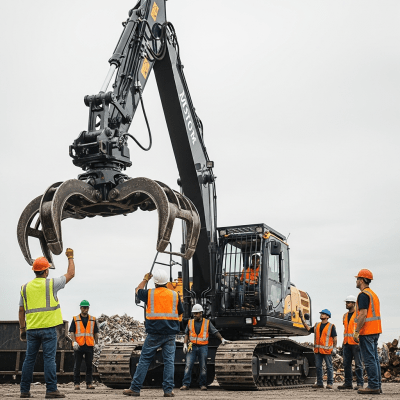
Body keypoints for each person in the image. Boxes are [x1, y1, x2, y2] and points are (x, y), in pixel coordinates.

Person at [19, 249, 75, 399]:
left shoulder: (24, 288)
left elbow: (21, 310)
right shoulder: (51, 284)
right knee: (49, 359)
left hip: (31, 330)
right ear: (46, 271)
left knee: (29, 360)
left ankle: (24, 391)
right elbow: (70, 274)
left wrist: (22, 329)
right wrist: (70, 257)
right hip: (49, 330)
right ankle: (51, 390)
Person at [123, 269, 183, 397]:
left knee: (144, 360)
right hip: (170, 333)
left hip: (154, 333)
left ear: (155, 283)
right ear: (167, 282)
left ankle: (135, 388)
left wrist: (145, 279)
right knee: (169, 362)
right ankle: (168, 390)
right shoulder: (175, 295)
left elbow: (137, 290)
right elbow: (180, 312)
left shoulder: (149, 294)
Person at [180, 304, 229, 391]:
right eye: (194, 313)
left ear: (201, 313)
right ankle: (185, 384)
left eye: (197, 313)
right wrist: (184, 344)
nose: (195, 315)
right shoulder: (190, 322)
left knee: (203, 367)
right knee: (188, 365)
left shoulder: (207, 322)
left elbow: (214, 331)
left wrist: (221, 339)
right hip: (192, 347)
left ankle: (203, 384)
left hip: (203, 347)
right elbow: (187, 334)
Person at [353, 269, 382, 395]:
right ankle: (377, 385)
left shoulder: (363, 295)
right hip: (375, 330)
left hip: (367, 331)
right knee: (374, 359)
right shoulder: (373, 294)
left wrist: (357, 331)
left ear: (361, 280)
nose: (356, 281)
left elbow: (363, 315)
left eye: (357, 279)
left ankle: (373, 386)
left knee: (369, 359)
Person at [299, 308, 337, 389]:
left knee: (329, 367)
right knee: (318, 367)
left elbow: (335, 338)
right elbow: (308, 329)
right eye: (321, 313)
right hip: (318, 351)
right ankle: (320, 383)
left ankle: (330, 383)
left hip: (327, 351)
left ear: (327, 316)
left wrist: (334, 348)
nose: (321, 315)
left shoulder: (331, 326)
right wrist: (302, 319)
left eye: (323, 314)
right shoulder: (317, 325)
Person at [69, 300, 98, 390]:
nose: (85, 309)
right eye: (84, 308)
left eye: (87, 308)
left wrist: (96, 343)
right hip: (79, 345)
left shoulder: (93, 319)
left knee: (89, 365)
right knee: (77, 365)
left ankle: (89, 383)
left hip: (89, 345)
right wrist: (74, 342)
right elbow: (72, 332)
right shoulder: (75, 319)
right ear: (80, 308)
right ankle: (76, 383)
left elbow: (96, 332)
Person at [338, 295, 364, 390]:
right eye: (346, 302)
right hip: (347, 343)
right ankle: (348, 383)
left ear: (353, 304)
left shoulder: (359, 314)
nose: (346, 304)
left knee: (358, 365)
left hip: (356, 343)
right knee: (346, 364)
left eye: (348, 303)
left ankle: (360, 383)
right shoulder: (345, 315)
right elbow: (346, 329)